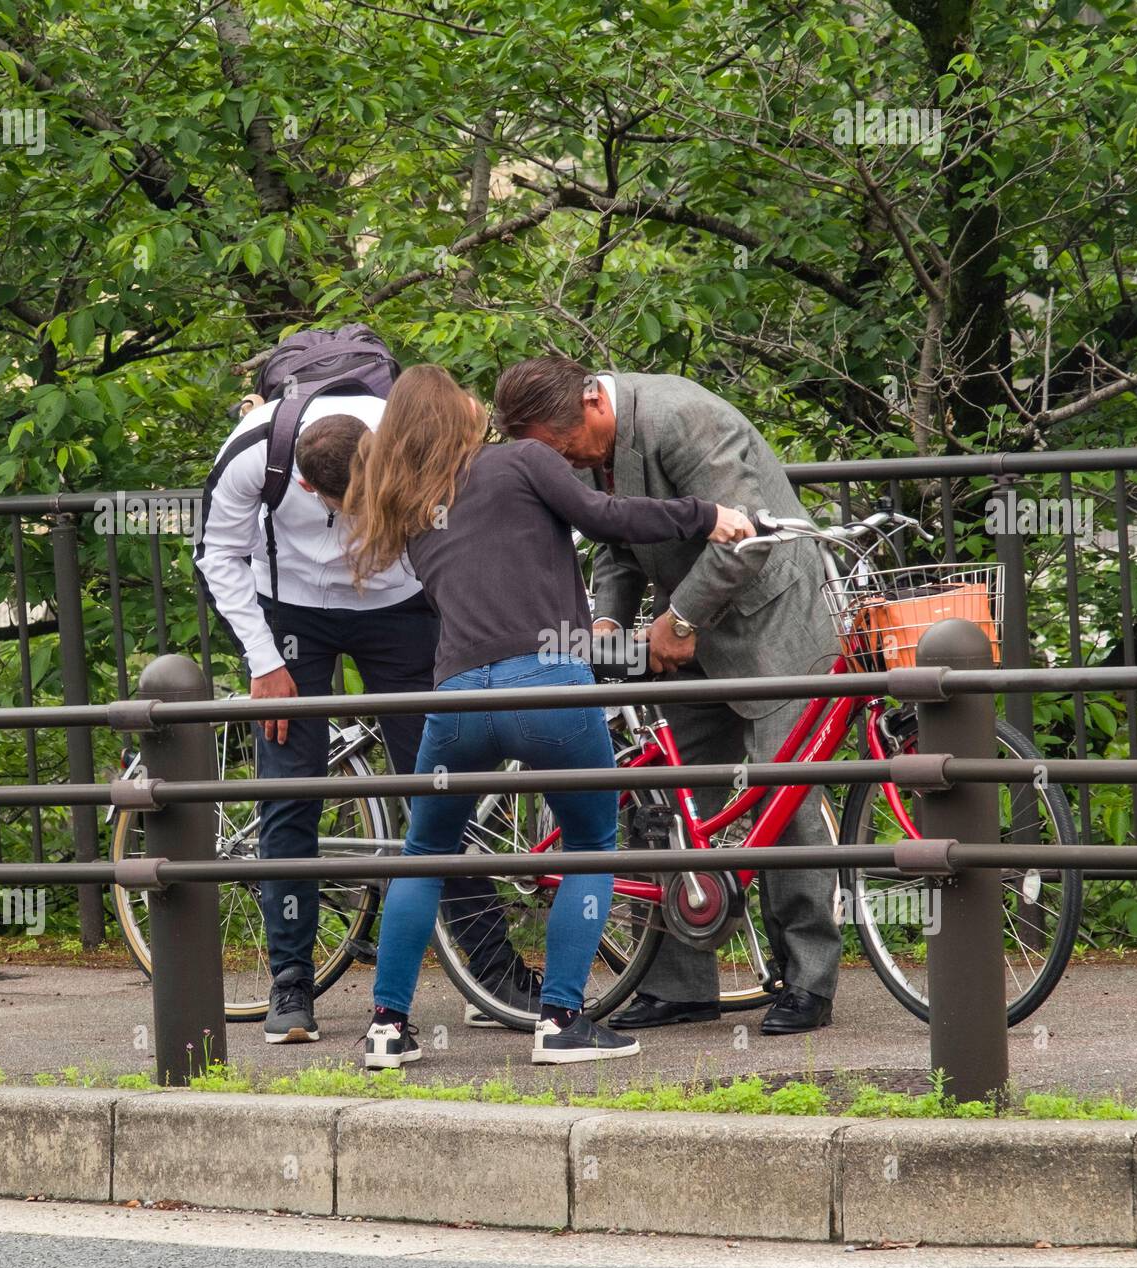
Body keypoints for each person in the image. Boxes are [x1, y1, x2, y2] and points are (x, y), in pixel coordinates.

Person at [342, 363, 753, 1068]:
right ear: (460, 416)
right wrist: (705, 515)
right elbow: (607, 519)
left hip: (457, 700)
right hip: (551, 687)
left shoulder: (411, 509)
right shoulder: (524, 460)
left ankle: (387, 1027)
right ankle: (562, 1020)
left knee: (423, 857)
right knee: (593, 845)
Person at [492, 355, 840, 1035]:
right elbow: (616, 545)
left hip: (770, 622)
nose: (563, 465)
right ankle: (678, 983)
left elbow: (749, 535)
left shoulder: (685, 417)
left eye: (566, 450)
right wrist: (606, 620)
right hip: (680, 632)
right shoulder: (584, 444)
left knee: (785, 793)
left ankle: (807, 980)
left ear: (593, 403)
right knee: (670, 794)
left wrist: (679, 619)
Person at [195, 391, 528, 1045]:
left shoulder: (414, 433)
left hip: (399, 606)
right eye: (341, 505)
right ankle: (291, 983)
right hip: (291, 611)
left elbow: (481, 513)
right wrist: (264, 663)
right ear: (303, 482)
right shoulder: (252, 455)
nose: (356, 517)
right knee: (291, 792)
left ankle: (493, 976)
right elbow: (216, 555)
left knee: (441, 787)